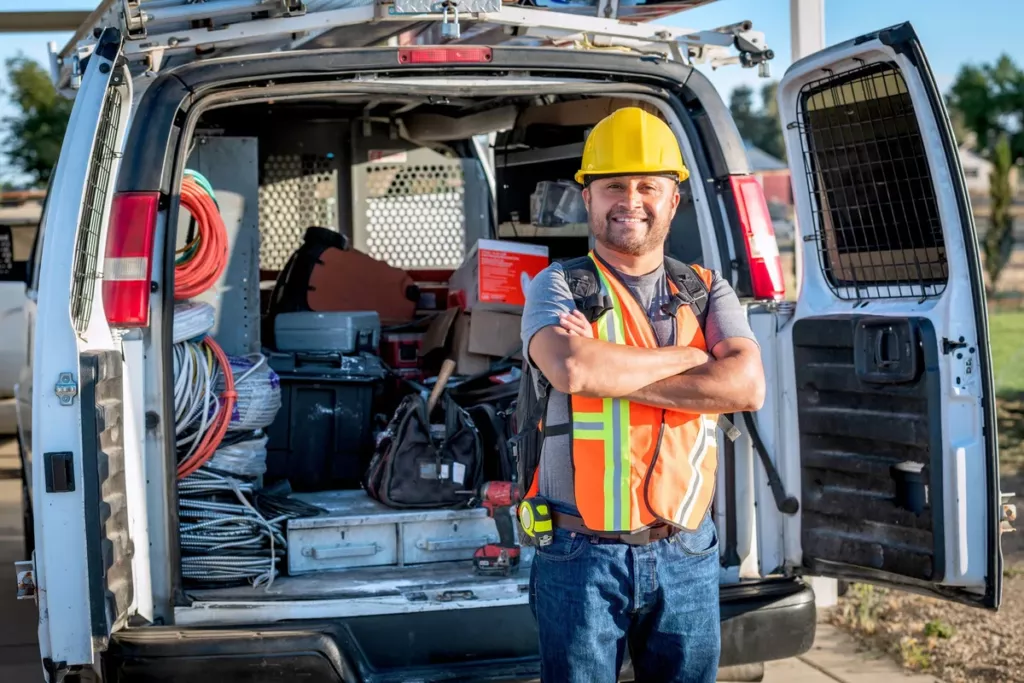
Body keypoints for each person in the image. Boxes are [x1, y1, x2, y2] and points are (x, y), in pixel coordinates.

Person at [520, 106, 767, 683]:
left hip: (686, 551)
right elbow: (574, 369)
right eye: (612, 186)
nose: (629, 199)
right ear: (588, 198)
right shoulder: (558, 285)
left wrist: (617, 370)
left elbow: (747, 386)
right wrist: (696, 360)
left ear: (673, 199)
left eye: (647, 186)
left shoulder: (706, 290)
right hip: (579, 554)